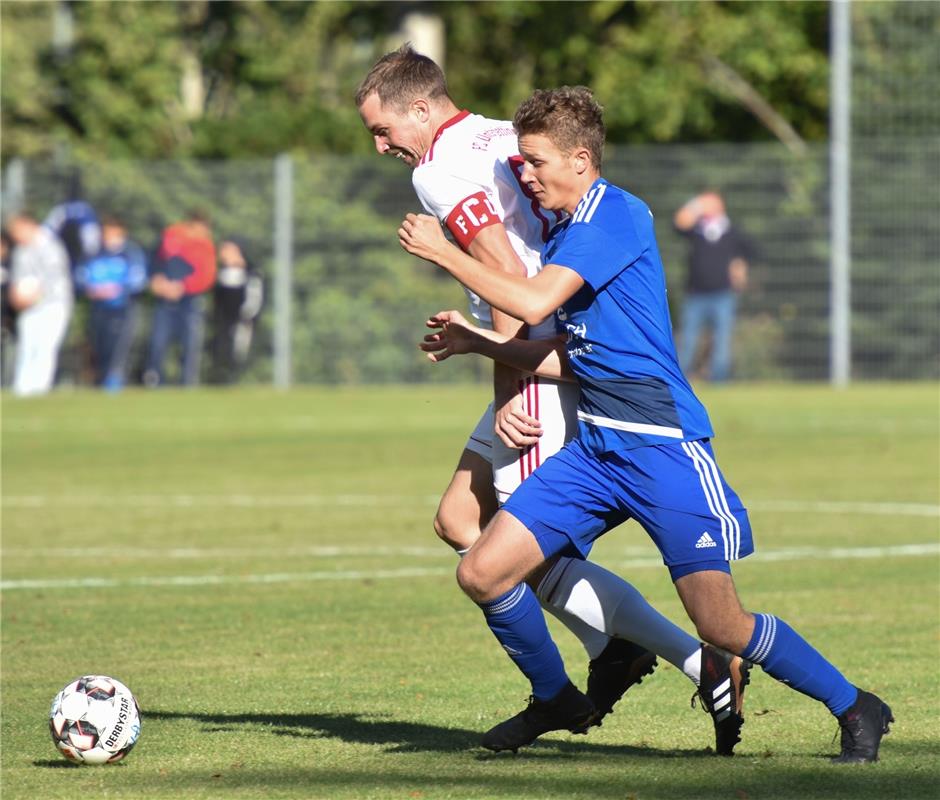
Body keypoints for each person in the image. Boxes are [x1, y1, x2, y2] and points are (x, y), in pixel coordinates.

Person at [399, 86, 893, 764]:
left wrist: (447, 253)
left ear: (579, 159)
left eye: (536, 162)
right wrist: (481, 343)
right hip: (595, 452)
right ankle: (557, 697)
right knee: (482, 570)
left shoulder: (618, 215)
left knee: (720, 621)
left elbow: (536, 298)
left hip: (662, 449)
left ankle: (855, 704)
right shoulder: (570, 231)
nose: (526, 174)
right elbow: (570, 357)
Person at [358, 45, 750, 755]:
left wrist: (511, 386)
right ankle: (627, 656)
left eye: (383, 130)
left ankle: (676, 661)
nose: (382, 147)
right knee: (458, 520)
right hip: (557, 348)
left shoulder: (438, 171)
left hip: (546, 364)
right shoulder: (496, 132)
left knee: (514, 551)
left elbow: (506, 272)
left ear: (420, 108)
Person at [673, 191, 752, 382]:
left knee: (722, 341)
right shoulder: (696, 230)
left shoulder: (733, 231)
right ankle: (681, 378)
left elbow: (750, 252)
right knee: (689, 340)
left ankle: (719, 379)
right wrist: (696, 205)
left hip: (723, 294)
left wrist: (740, 267)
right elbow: (678, 224)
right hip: (695, 294)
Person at [74, 214, 148, 391]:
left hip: (122, 310)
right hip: (98, 310)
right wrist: (92, 289)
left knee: (117, 350)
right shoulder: (93, 253)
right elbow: (80, 276)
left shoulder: (131, 253)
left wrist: (118, 289)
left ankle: (113, 386)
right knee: (99, 349)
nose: (108, 237)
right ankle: (98, 385)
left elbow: (139, 280)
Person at [143, 210, 217, 387]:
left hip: (190, 301)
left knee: (190, 345)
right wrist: (156, 280)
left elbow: (206, 277)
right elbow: (154, 262)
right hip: (165, 299)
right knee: (158, 342)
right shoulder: (170, 237)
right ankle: (154, 381)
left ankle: (187, 383)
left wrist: (182, 287)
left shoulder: (205, 247)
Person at [5, 211, 73, 397]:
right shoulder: (20, 251)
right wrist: (16, 298)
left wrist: (34, 296)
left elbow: (53, 279)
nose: (15, 235)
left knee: (45, 346)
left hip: (53, 304)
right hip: (28, 307)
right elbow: (16, 279)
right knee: (27, 345)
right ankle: (23, 387)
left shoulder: (50, 246)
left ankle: (40, 387)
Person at [209, 238, 264, 385]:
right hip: (222, 323)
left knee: (239, 353)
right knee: (221, 351)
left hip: (242, 322)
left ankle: (238, 379)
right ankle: (221, 379)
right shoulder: (219, 275)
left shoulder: (251, 274)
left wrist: (246, 317)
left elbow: (254, 299)